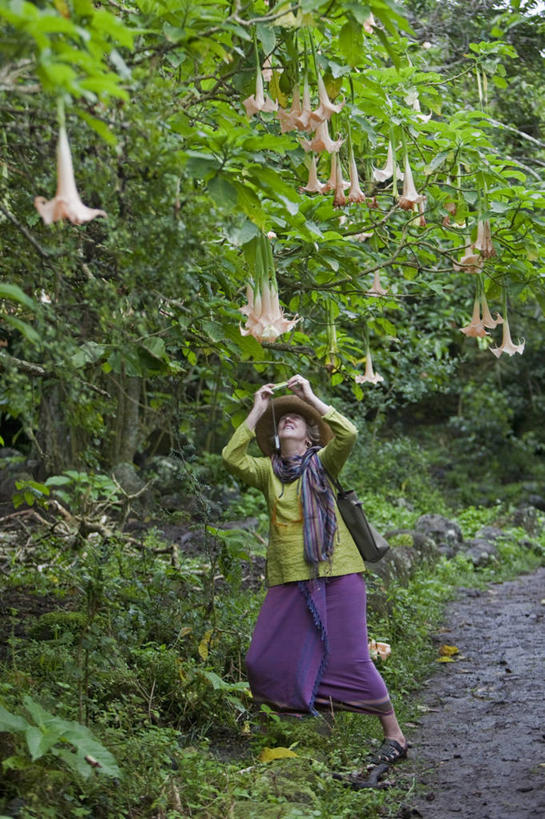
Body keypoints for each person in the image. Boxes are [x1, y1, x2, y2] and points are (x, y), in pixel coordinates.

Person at [222, 374, 407, 765]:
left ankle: (395, 735)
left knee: (352, 657)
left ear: (309, 436)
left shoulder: (323, 464)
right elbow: (231, 458)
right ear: (275, 437)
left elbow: (349, 433)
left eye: (297, 418)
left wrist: (310, 397)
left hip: (338, 572)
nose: (288, 419)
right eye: (282, 419)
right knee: (262, 659)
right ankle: (303, 718)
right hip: (289, 577)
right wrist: (257, 410)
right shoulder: (267, 473)